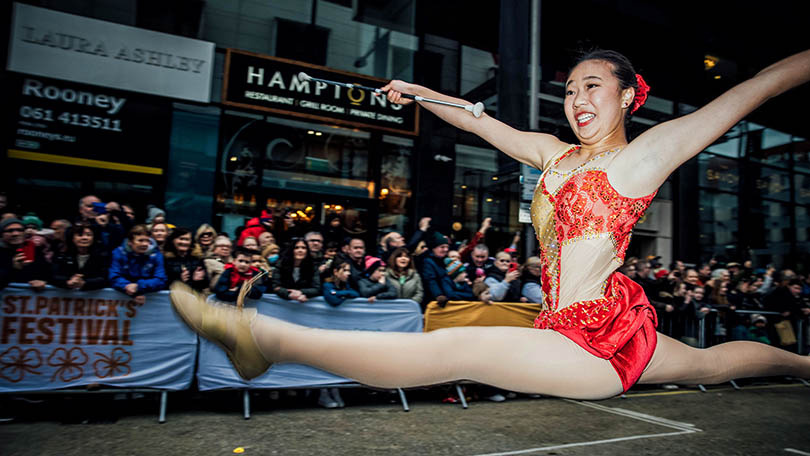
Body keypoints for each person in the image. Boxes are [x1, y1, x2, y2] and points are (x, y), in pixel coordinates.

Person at [170, 49, 810, 397]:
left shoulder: (645, 156)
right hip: (571, 323)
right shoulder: (554, 155)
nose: (577, 100)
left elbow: (755, 87)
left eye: (592, 87)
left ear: (624, 95)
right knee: (705, 363)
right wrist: (420, 95)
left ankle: (262, 338)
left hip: (595, 345)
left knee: (461, 348)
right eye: (569, 91)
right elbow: (482, 122)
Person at [109, 225, 168, 304]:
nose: (145, 244)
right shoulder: (118, 253)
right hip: (122, 297)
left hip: (148, 298)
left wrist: (139, 287)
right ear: (130, 242)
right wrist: (126, 286)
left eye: (147, 241)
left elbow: (161, 279)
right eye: (140, 240)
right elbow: (114, 276)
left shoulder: (156, 255)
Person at [51, 221, 110, 291]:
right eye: (80, 235)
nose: (84, 238)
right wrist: (68, 281)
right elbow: (53, 276)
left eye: (89, 235)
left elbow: (104, 278)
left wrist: (84, 283)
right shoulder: (61, 254)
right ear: (72, 238)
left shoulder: (102, 255)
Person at [0, 218, 51, 291]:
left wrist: (43, 281)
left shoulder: (34, 250)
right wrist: (13, 268)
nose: (15, 234)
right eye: (10, 231)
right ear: (2, 234)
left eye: (19, 230)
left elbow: (48, 273)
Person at [163, 227, 209, 292]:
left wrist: (198, 280)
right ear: (173, 240)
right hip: (173, 297)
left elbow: (206, 283)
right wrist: (179, 280)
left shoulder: (197, 258)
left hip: (194, 296)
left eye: (187, 239)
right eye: (181, 239)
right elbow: (163, 283)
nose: (184, 242)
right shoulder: (166, 259)